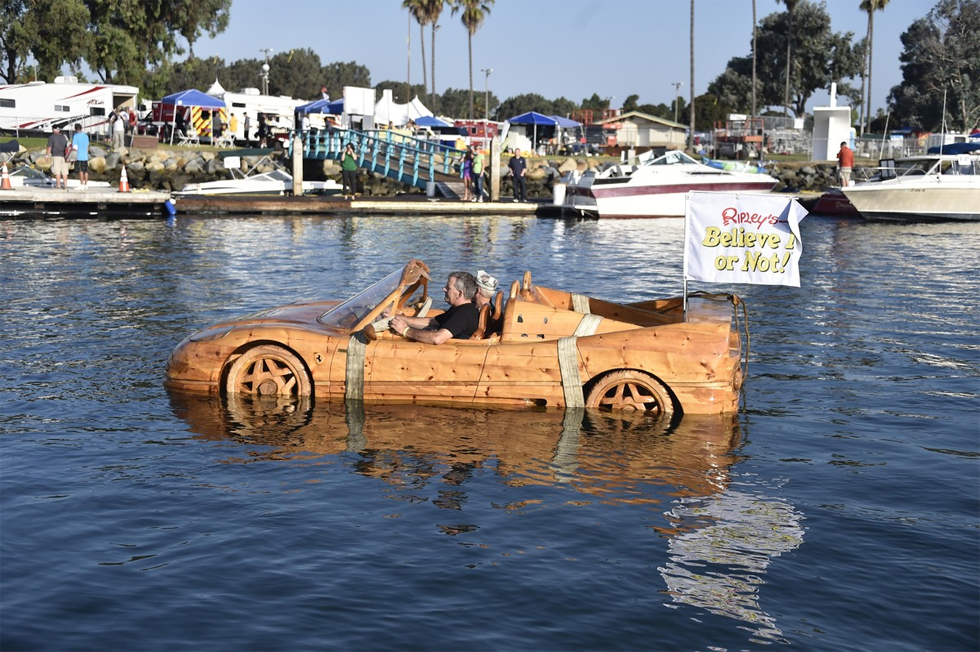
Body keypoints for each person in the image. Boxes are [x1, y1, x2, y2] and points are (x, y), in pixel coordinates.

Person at [389, 272, 480, 344]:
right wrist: (395, 316)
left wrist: (405, 331)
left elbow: (437, 338)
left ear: (459, 293)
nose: (444, 289)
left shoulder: (462, 315)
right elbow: (430, 322)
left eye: (448, 288)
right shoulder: (462, 308)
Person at [72, 123, 90, 190]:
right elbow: (87, 146)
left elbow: (75, 147)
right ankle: (86, 185)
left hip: (79, 156)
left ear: (75, 129)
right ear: (81, 128)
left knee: (80, 171)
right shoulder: (86, 136)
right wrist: (86, 154)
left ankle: (81, 184)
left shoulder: (75, 136)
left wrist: (73, 157)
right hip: (85, 156)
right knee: (85, 171)